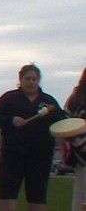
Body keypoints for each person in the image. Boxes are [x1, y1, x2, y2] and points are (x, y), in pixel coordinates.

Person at [0, 64, 66, 211]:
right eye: (27, 78)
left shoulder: (49, 101)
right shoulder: (9, 98)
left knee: (37, 195)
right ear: (21, 80)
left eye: (34, 79)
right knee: (7, 194)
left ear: (38, 81)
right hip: (12, 154)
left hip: (40, 156)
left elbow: (60, 122)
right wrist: (11, 120)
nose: (31, 82)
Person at [65, 67, 86, 211]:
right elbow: (66, 120)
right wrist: (79, 142)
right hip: (82, 155)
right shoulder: (77, 95)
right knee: (81, 196)